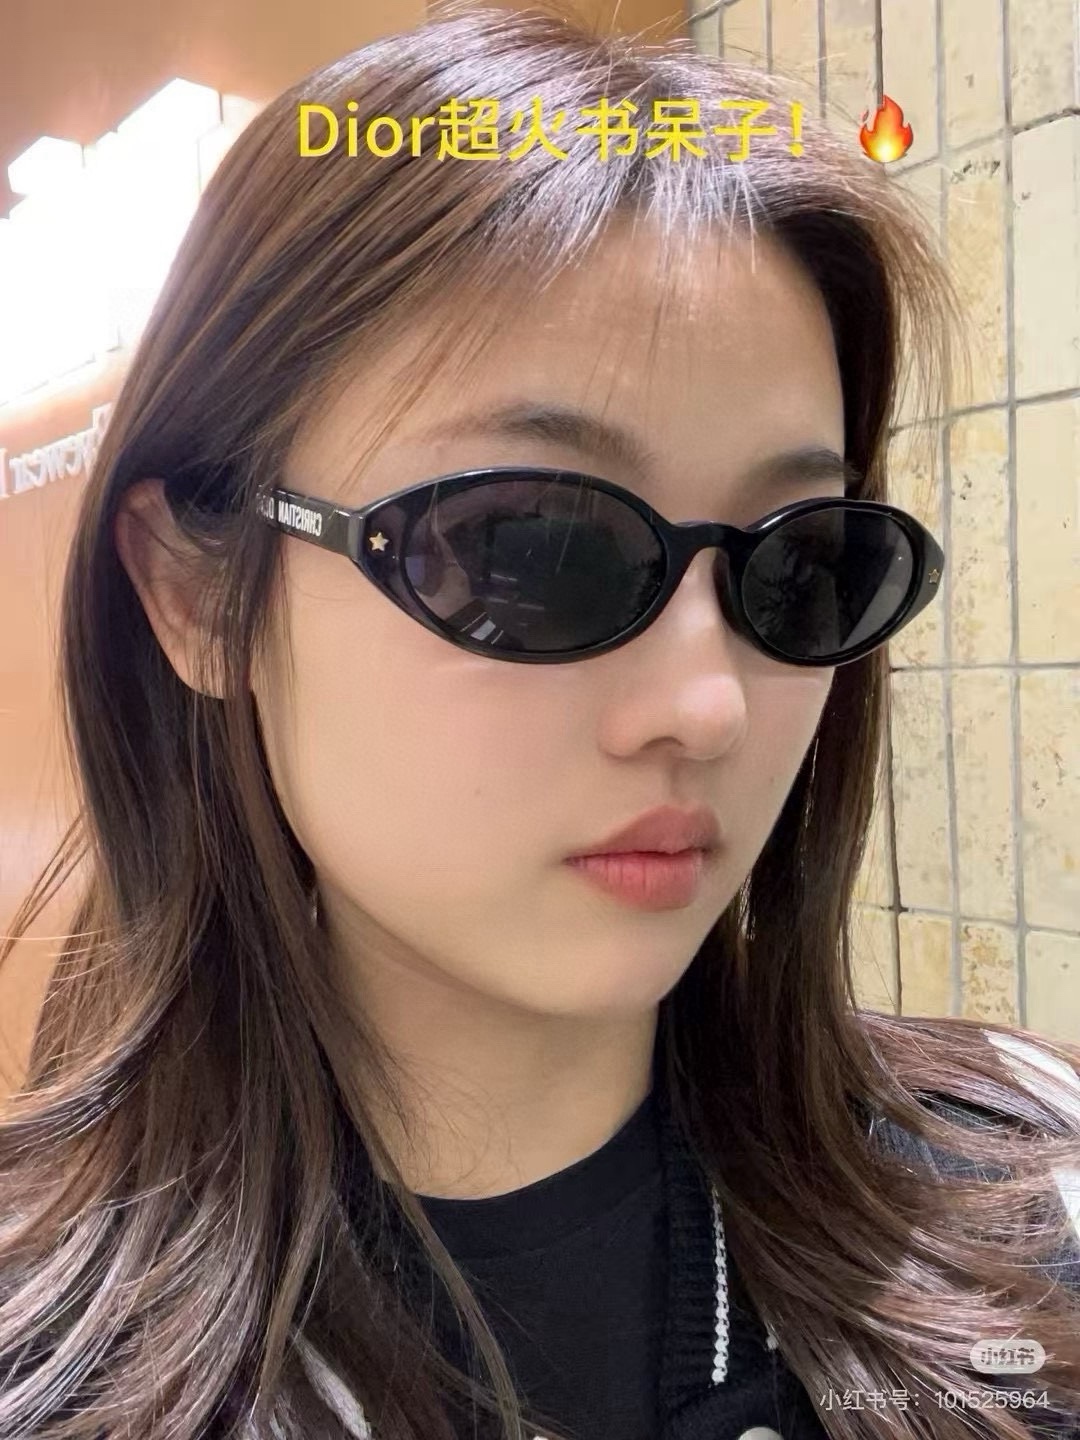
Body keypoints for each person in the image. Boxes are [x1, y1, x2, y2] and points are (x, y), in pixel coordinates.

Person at [1, 5, 1079, 1438]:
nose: (706, 704)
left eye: (800, 566)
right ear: (199, 595)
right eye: (530, 551)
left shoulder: (1032, 1195)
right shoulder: (44, 1367)